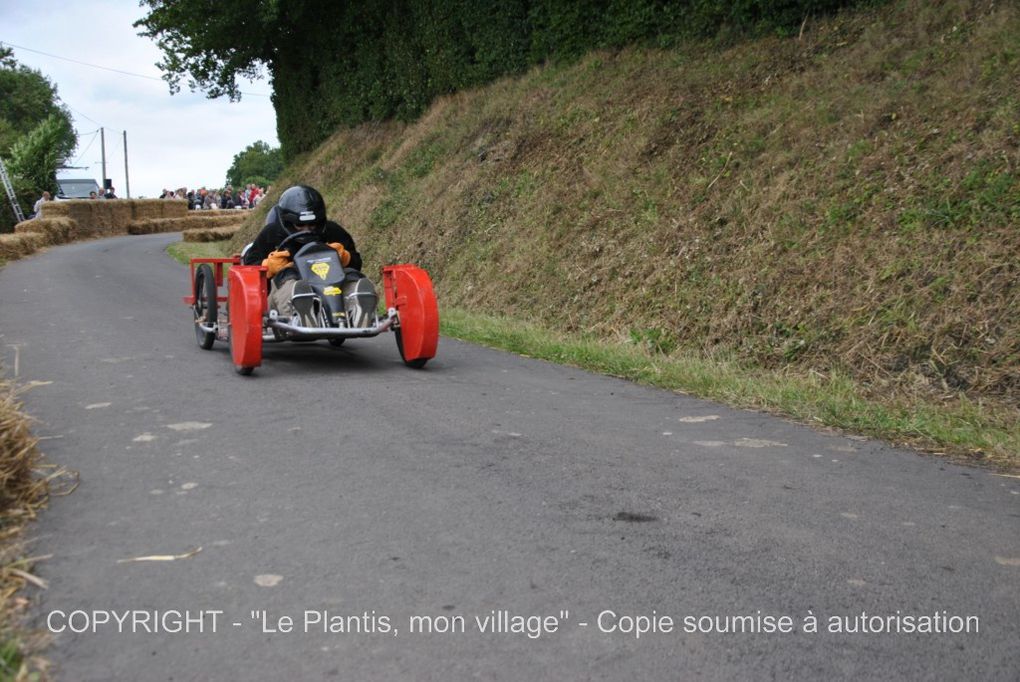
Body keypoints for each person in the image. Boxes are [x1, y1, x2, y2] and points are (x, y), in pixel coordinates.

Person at [242, 185, 363, 326]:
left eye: (312, 225)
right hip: (282, 287)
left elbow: (357, 263)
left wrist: (346, 257)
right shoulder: (272, 233)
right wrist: (267, 265)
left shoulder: (332, 231)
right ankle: (299, 310)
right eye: (300, 225)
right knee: (289, 279)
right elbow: (248, 266)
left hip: (330, 286)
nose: (307, 230)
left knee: (351, 275)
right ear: (287, 221)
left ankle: (358, 301)